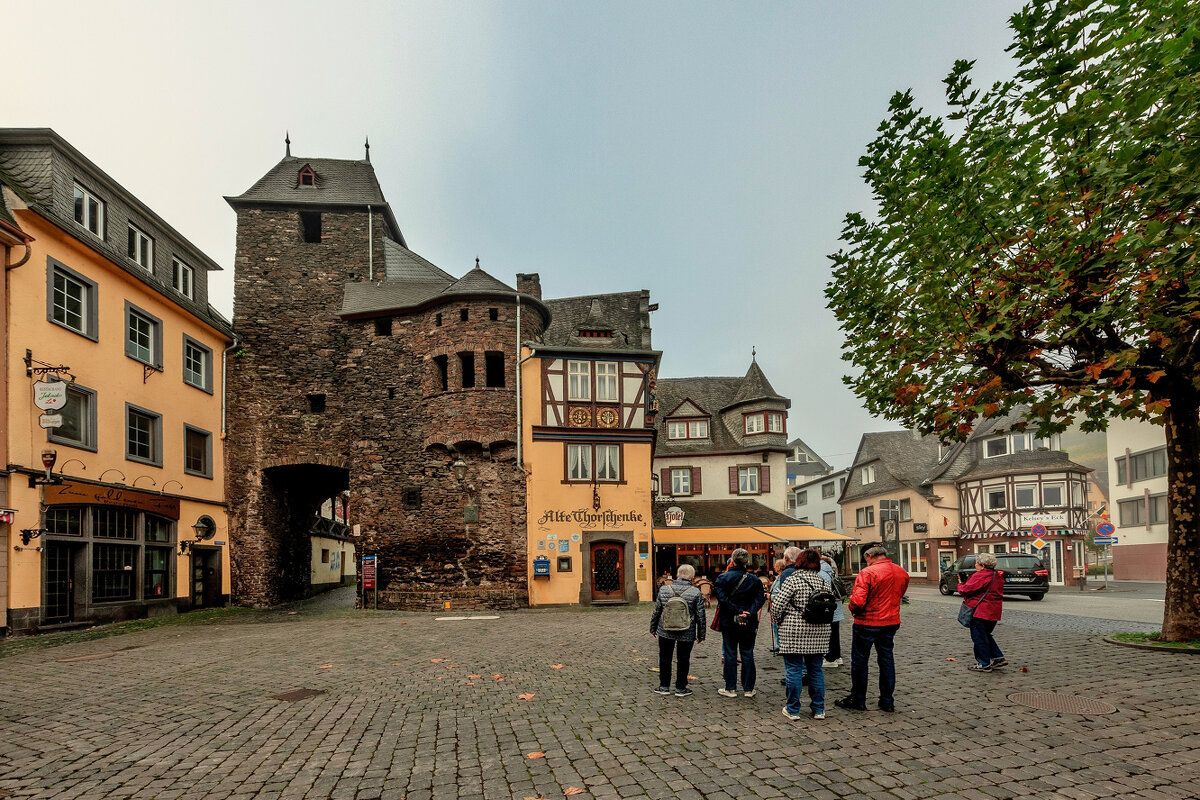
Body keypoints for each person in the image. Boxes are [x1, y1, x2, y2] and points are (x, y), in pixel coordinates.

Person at [835, 545, 909, 713]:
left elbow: (858, 601)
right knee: (886, 659)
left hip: (867, 622)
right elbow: (900, 594)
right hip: (890, 621)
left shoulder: (867, 573)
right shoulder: (901, 572)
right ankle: (887, 700)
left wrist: (852, 607)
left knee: (860, 661)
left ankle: (858, 698)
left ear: (869, 555)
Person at [771, 548, 831, 720]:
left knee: (794, 670)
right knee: (816, 671)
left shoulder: (793, 580)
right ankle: (819, 709)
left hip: (794, 631)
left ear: (799, 562)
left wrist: (780, 622)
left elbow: (777, 605)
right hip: (819, 631)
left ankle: (793, 709)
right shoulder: (823, 582)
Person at [713, 548, 766, 697]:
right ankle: (748, 688)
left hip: (729, 620)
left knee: (730, 653)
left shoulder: (723, 578)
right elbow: (760, 599)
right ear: (747, 562)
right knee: (747, 653)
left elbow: (722, 600)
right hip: (749, 620)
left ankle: (730, 688)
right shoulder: (754, 580)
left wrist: (737, 610)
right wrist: (749, 612)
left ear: (732, 561)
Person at [650, 563, 706, 697]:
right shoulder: (695, 592)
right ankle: (681, 688)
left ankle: (664, 686)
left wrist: (653, 627)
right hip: (687, 630)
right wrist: (701, 634)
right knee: (683, 658)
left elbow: (657, 611)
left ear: (677, 575)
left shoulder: (664, 590)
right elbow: (700, 616)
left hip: (665, 629)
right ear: (692, 577)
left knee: (664, 658)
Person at [957, 552, 1006, 672]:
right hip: (994, 611)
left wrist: (960, 584)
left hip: (980, 611)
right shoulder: (997, 576)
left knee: (979, 637)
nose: (975, 565)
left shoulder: (980, 576)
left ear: (982, 565)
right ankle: (998, 657)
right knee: (986, 634)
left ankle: (983, 663)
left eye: (977, 563)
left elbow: (966, 590)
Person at [819, 554, 845, 667]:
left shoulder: (821, 574)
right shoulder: (831, 572)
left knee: (829, 634)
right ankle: (837, 656)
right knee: (835, 633)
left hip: (829, 608)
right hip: (837, 606)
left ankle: (830, 658)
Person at [768, 557, 786, 653]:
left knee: (778, 626)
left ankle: (780, 645)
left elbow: (780, 593)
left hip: (777, 606)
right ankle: (778, 644)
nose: (774, 567)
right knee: (775, 626)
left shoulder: (782, 578)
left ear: (779, 567)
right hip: (774, 606)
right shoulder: (777, 578)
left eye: (775, 565)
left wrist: (770, 596)